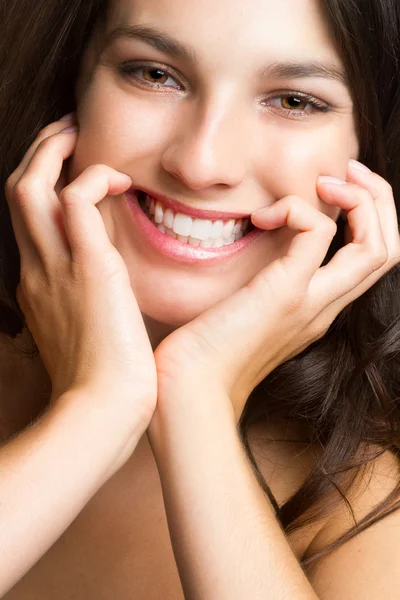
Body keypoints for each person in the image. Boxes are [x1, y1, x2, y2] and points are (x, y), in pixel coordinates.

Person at [0, 0, 400, 597]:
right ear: (70, 94)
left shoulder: (372, 504)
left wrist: (197, 400)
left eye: (294, 100)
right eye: (154, 74)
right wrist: (96, 409)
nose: (199, 162)